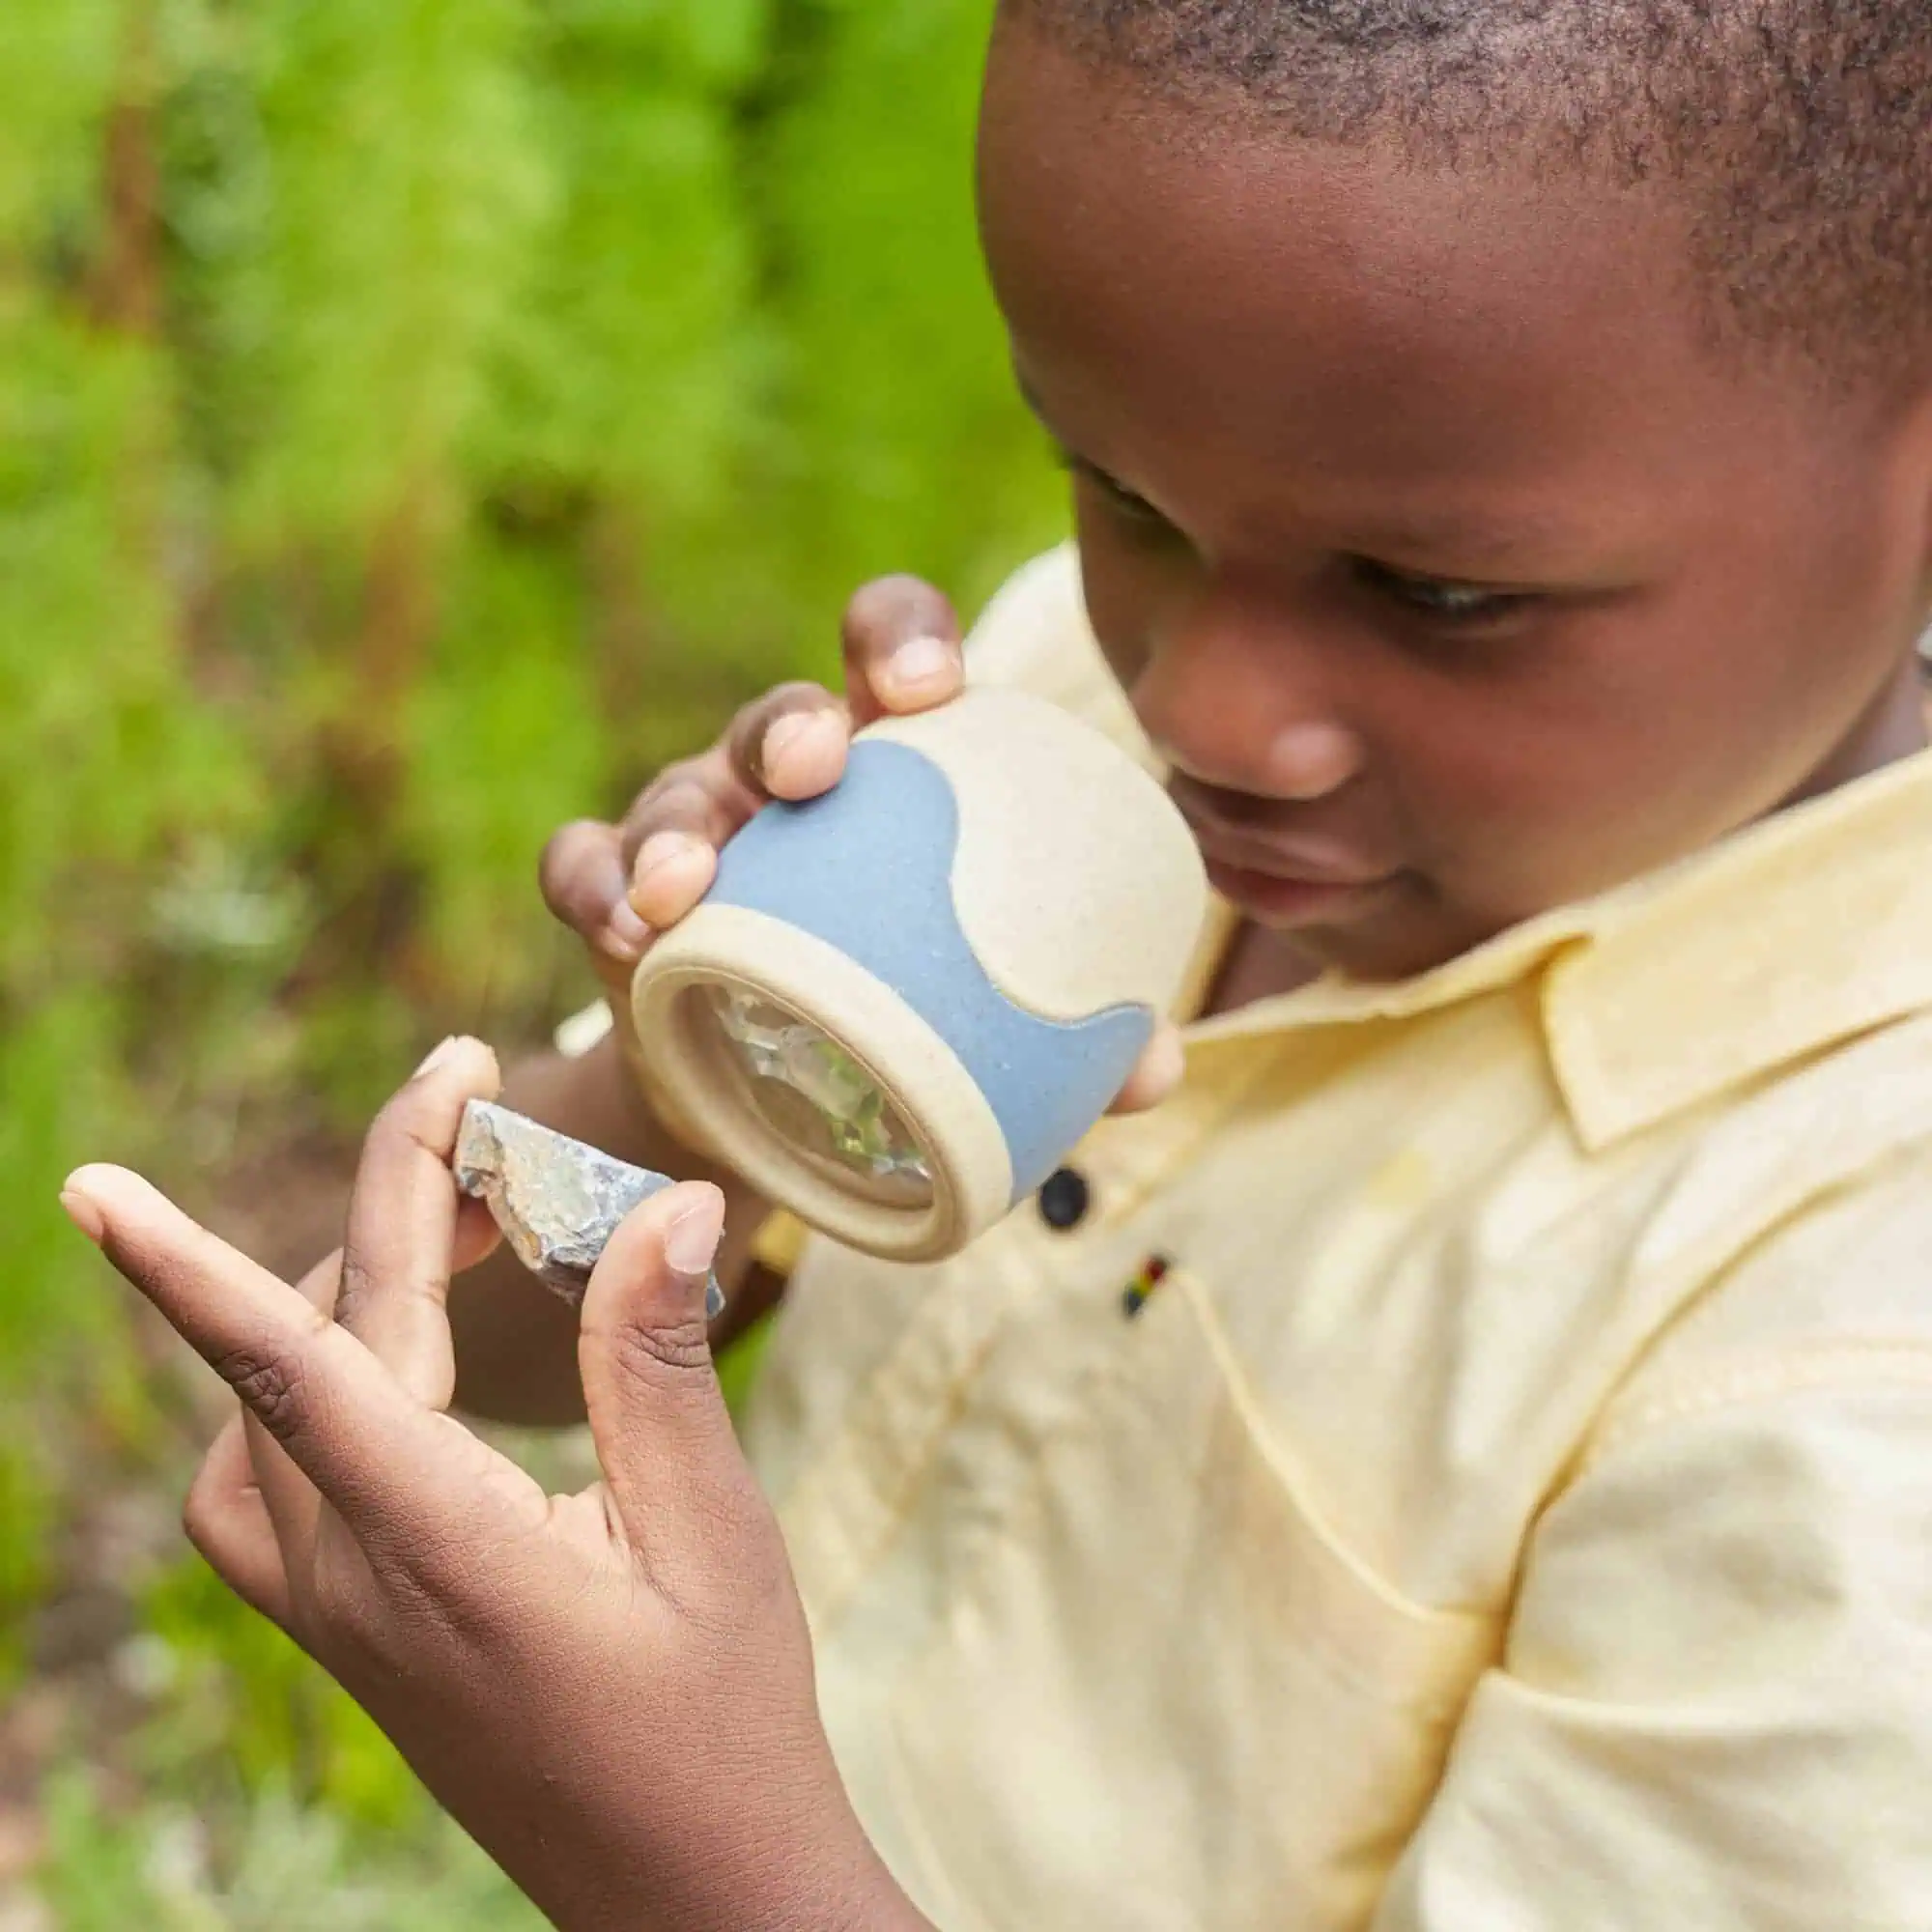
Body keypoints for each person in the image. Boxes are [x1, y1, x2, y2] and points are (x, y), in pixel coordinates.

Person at [60, 2, 1932, 1925]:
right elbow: (556, 1347)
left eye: (1441, 594)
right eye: (1120, 495)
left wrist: (678, 1865)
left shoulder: (1856, 1378)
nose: (1201, 705)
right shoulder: (1060, 708)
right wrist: (677, 1075)